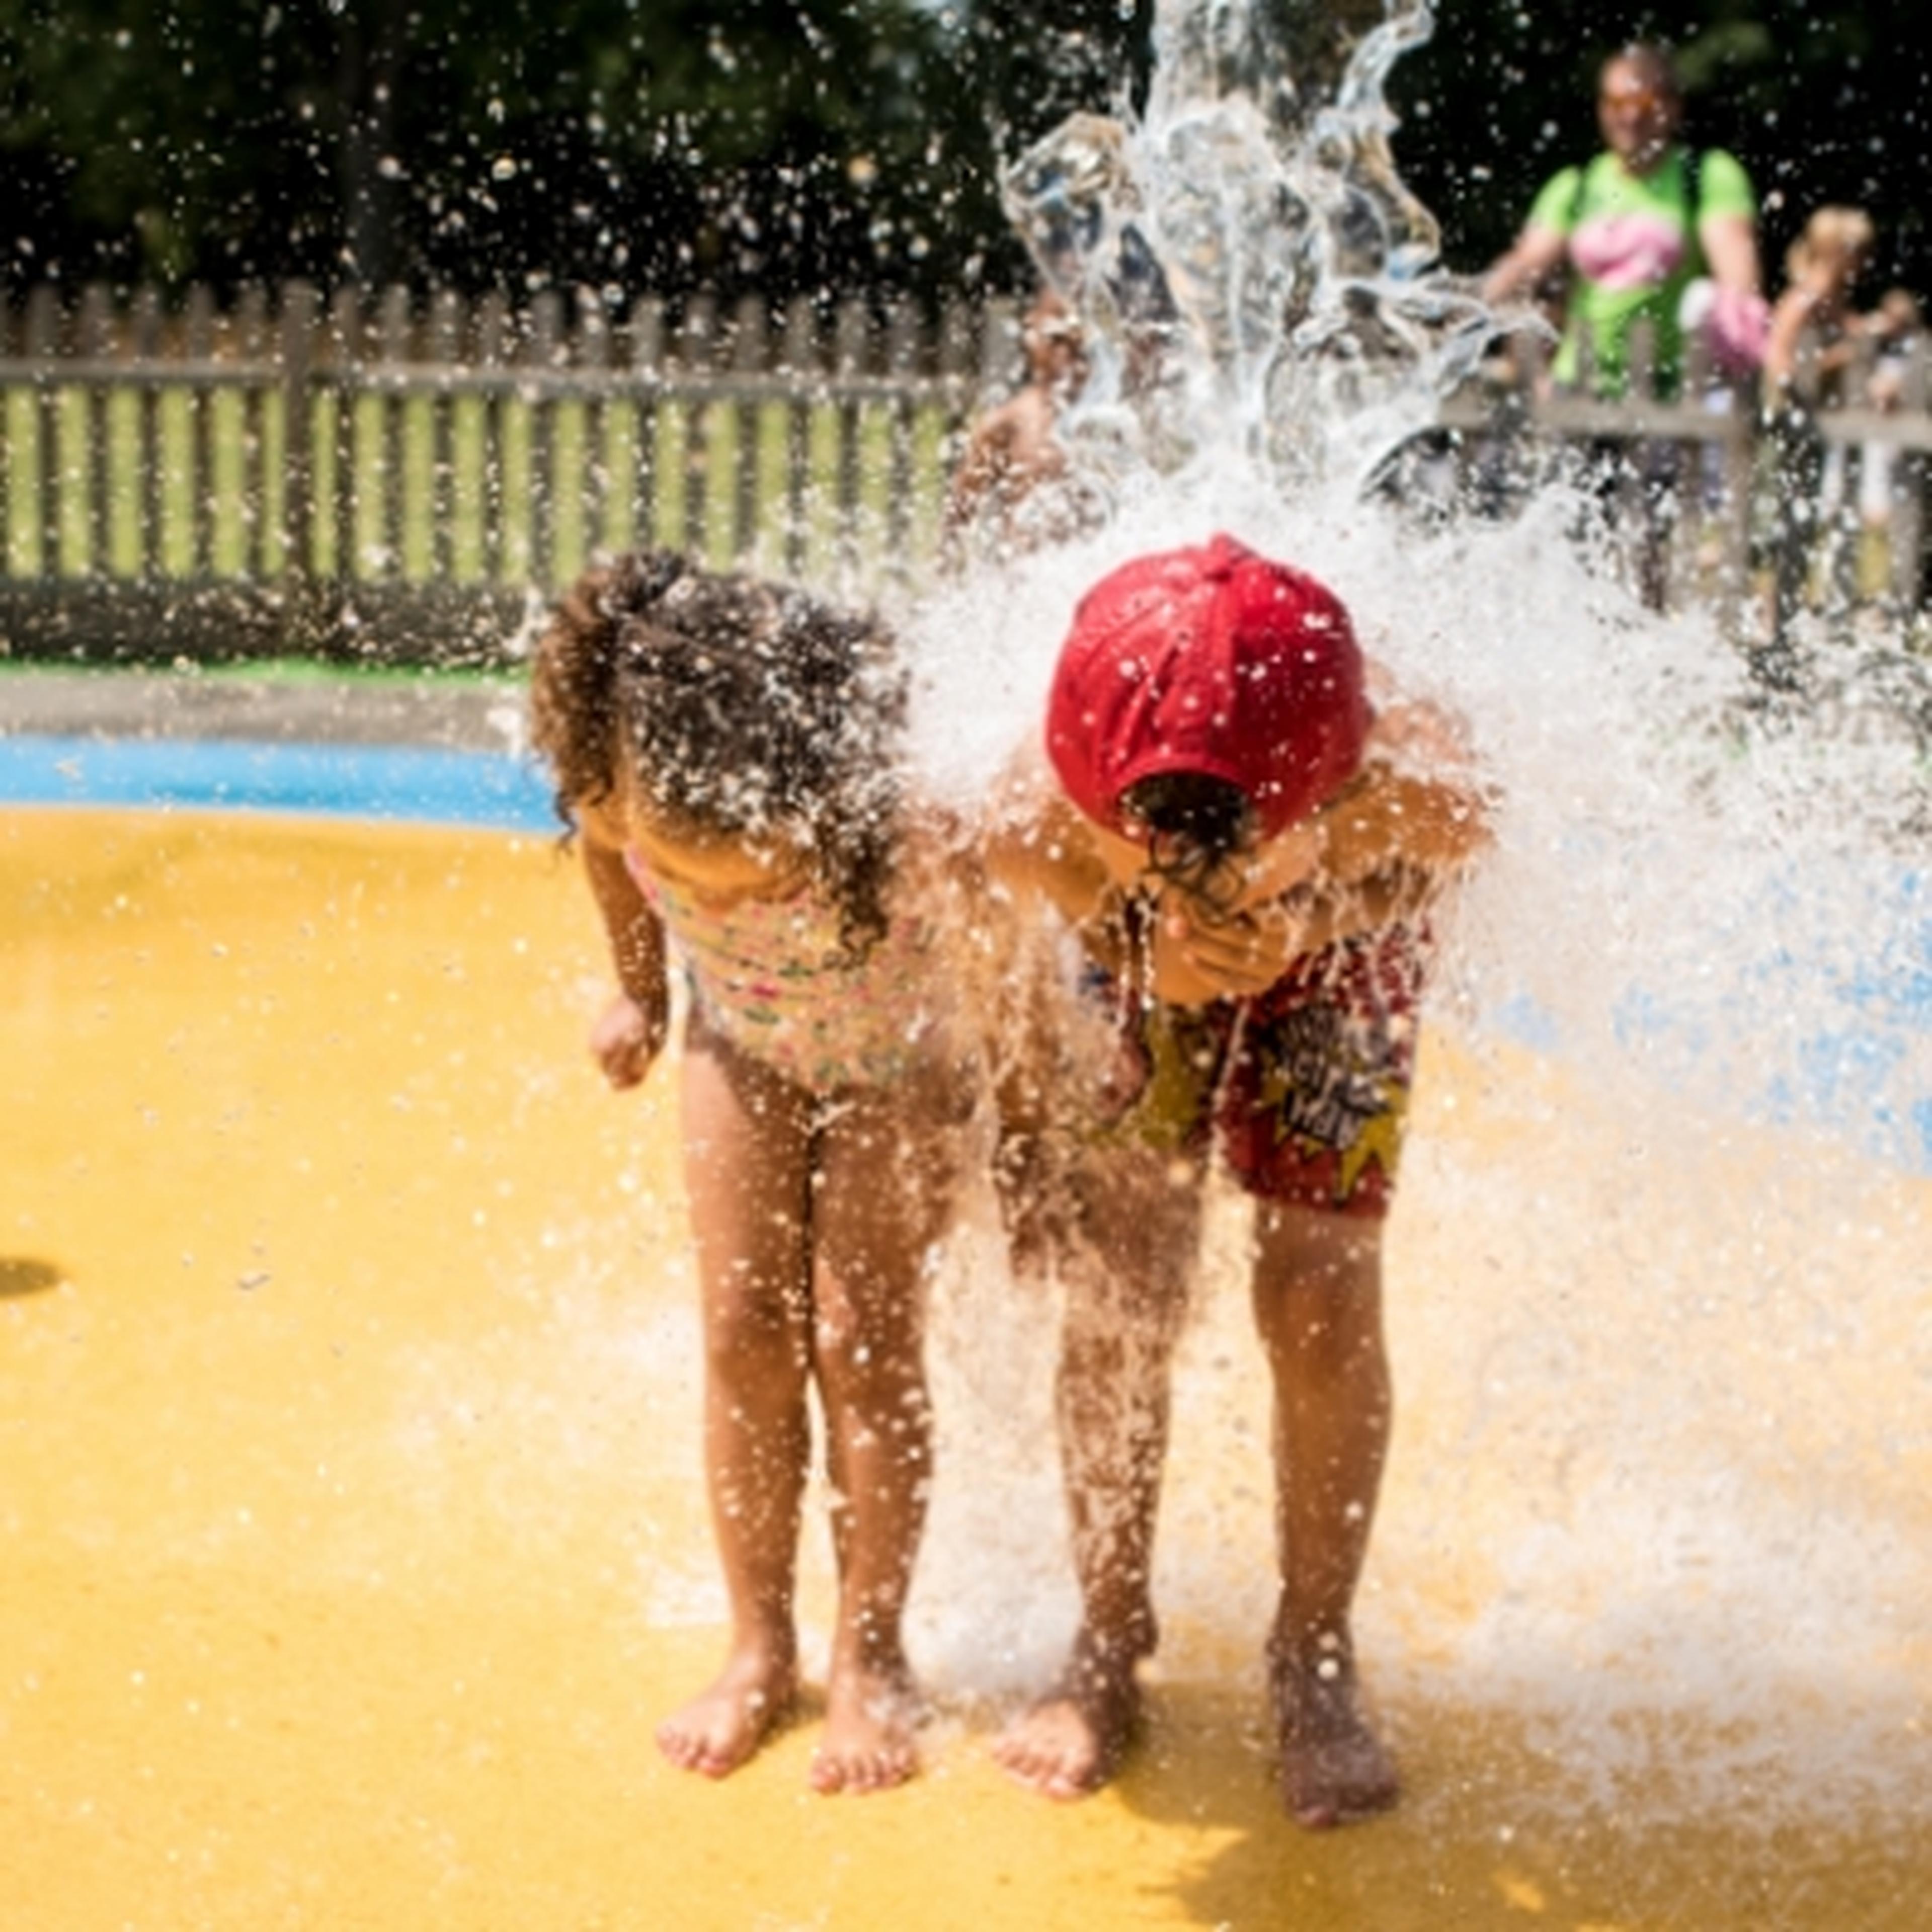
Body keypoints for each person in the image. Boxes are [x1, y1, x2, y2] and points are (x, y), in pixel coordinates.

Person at [982, 535, 1492, 1827]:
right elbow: (1003, 863)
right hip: (1144, 941)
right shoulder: (1057, 784)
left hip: (1350, 934)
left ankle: (1313, 1648)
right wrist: (1132, 944)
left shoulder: (1395, 775)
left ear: (1314, 798)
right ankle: (1107, 1627)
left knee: (1315, 1292)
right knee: (1120, 1278)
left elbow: (1466, 832)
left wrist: (1302, 922)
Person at [528, 550, 974, 1794]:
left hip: (899, 1060)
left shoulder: (887, 809)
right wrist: (638, 985)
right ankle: (758, 1640)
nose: (726, 886)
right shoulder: (619, 787)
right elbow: (604, 857)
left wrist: (1032, 1115)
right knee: (744, 1332)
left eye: (758, 865)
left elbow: (1004, 936)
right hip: (744, 1042)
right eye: (696, 864)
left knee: (860, 1334)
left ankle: (869, 1651)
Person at [1481, 44, 1764, 607]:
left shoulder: (1703, 177)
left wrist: (1750, 338)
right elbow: (1528, 261)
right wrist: (1463, 305)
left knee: (1645, 544)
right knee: (1566, 535)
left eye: (1644, 98)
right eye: (1614, 99)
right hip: (1576, 387)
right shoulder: (1578, 184)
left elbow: (1736, 267)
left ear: (1672, 106)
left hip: (1663, 394)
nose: (1628, 113)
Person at [1761, 206, 1878, 654]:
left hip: (1822, 432)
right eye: (1858, 252)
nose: (1865, 262)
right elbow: (1778, 360)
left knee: (1815, 525)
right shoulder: (1805, 298)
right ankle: (1776, 626)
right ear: (1836, 252)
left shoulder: (1835, 305)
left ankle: (1797, 620)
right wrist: (1831, 363)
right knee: (1784, 529)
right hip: (1791, 430)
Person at [943, 287, 1093, 561]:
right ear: (1031, 334)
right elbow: (959, 511)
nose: (1066, 355)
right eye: (1056, 340)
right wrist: (946, 573)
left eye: (1078, 347)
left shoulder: (1109, 422)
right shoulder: (1009, 422)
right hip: (1025, 576)